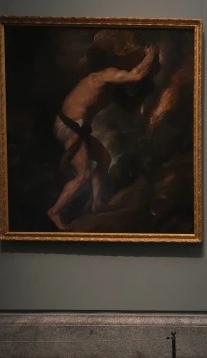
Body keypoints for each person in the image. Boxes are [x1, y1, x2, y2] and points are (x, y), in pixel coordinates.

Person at [46, 37, 158, 230]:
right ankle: (54, 211)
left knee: (104, 158)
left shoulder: (109, 87)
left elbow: (132, 91)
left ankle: (97, 204)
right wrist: (151, 55)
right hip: (69, 127)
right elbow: (137, 74)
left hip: (77, 127)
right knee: (83, 175)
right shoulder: (104, 75)